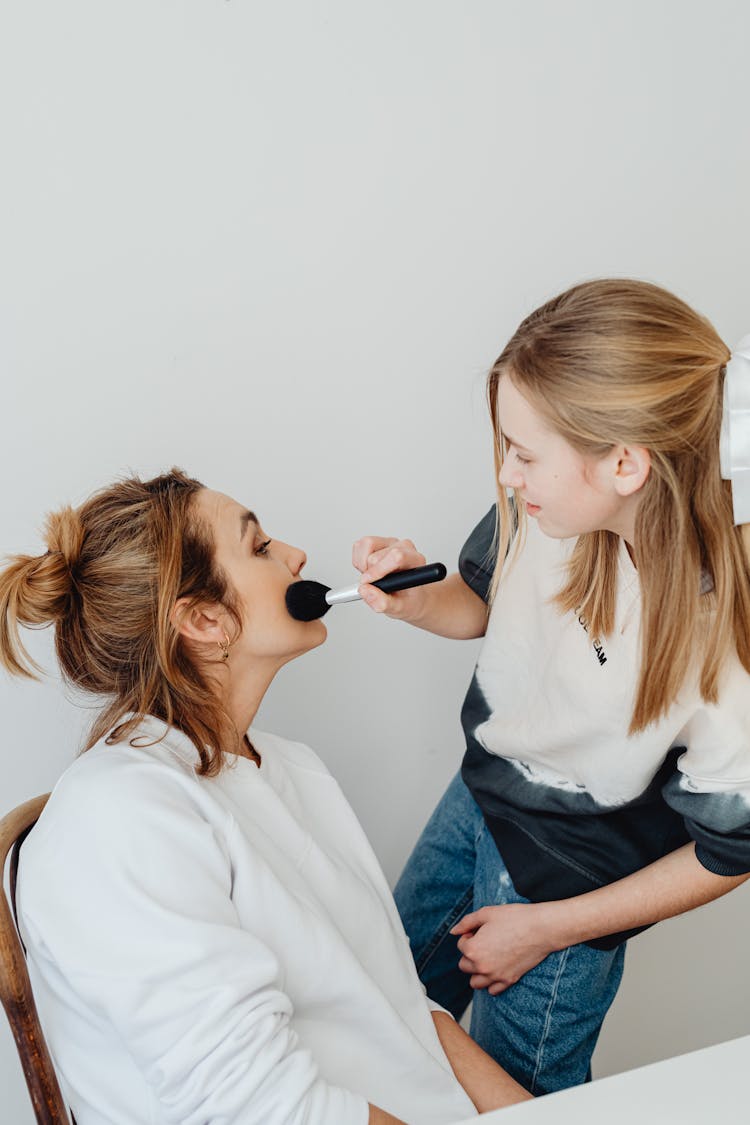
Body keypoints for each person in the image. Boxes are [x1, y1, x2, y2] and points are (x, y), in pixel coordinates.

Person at [0, 469, 531, 1125]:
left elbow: (403, 1009)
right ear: (203, 619)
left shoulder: (285, 766)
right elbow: (263, 1108)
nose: (296, 555)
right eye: (259, 546)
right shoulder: (119, 818)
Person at [351, 279, 750, 1096]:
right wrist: (419, 599)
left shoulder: (725, 643)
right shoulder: (551, 512)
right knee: (377, 1005)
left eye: (524, 453)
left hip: (570, 888)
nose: (506, 471)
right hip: (482, 799)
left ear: (625, 463)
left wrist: (543, 930)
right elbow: (490, 607)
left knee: (512, 1095)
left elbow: (731, 853)